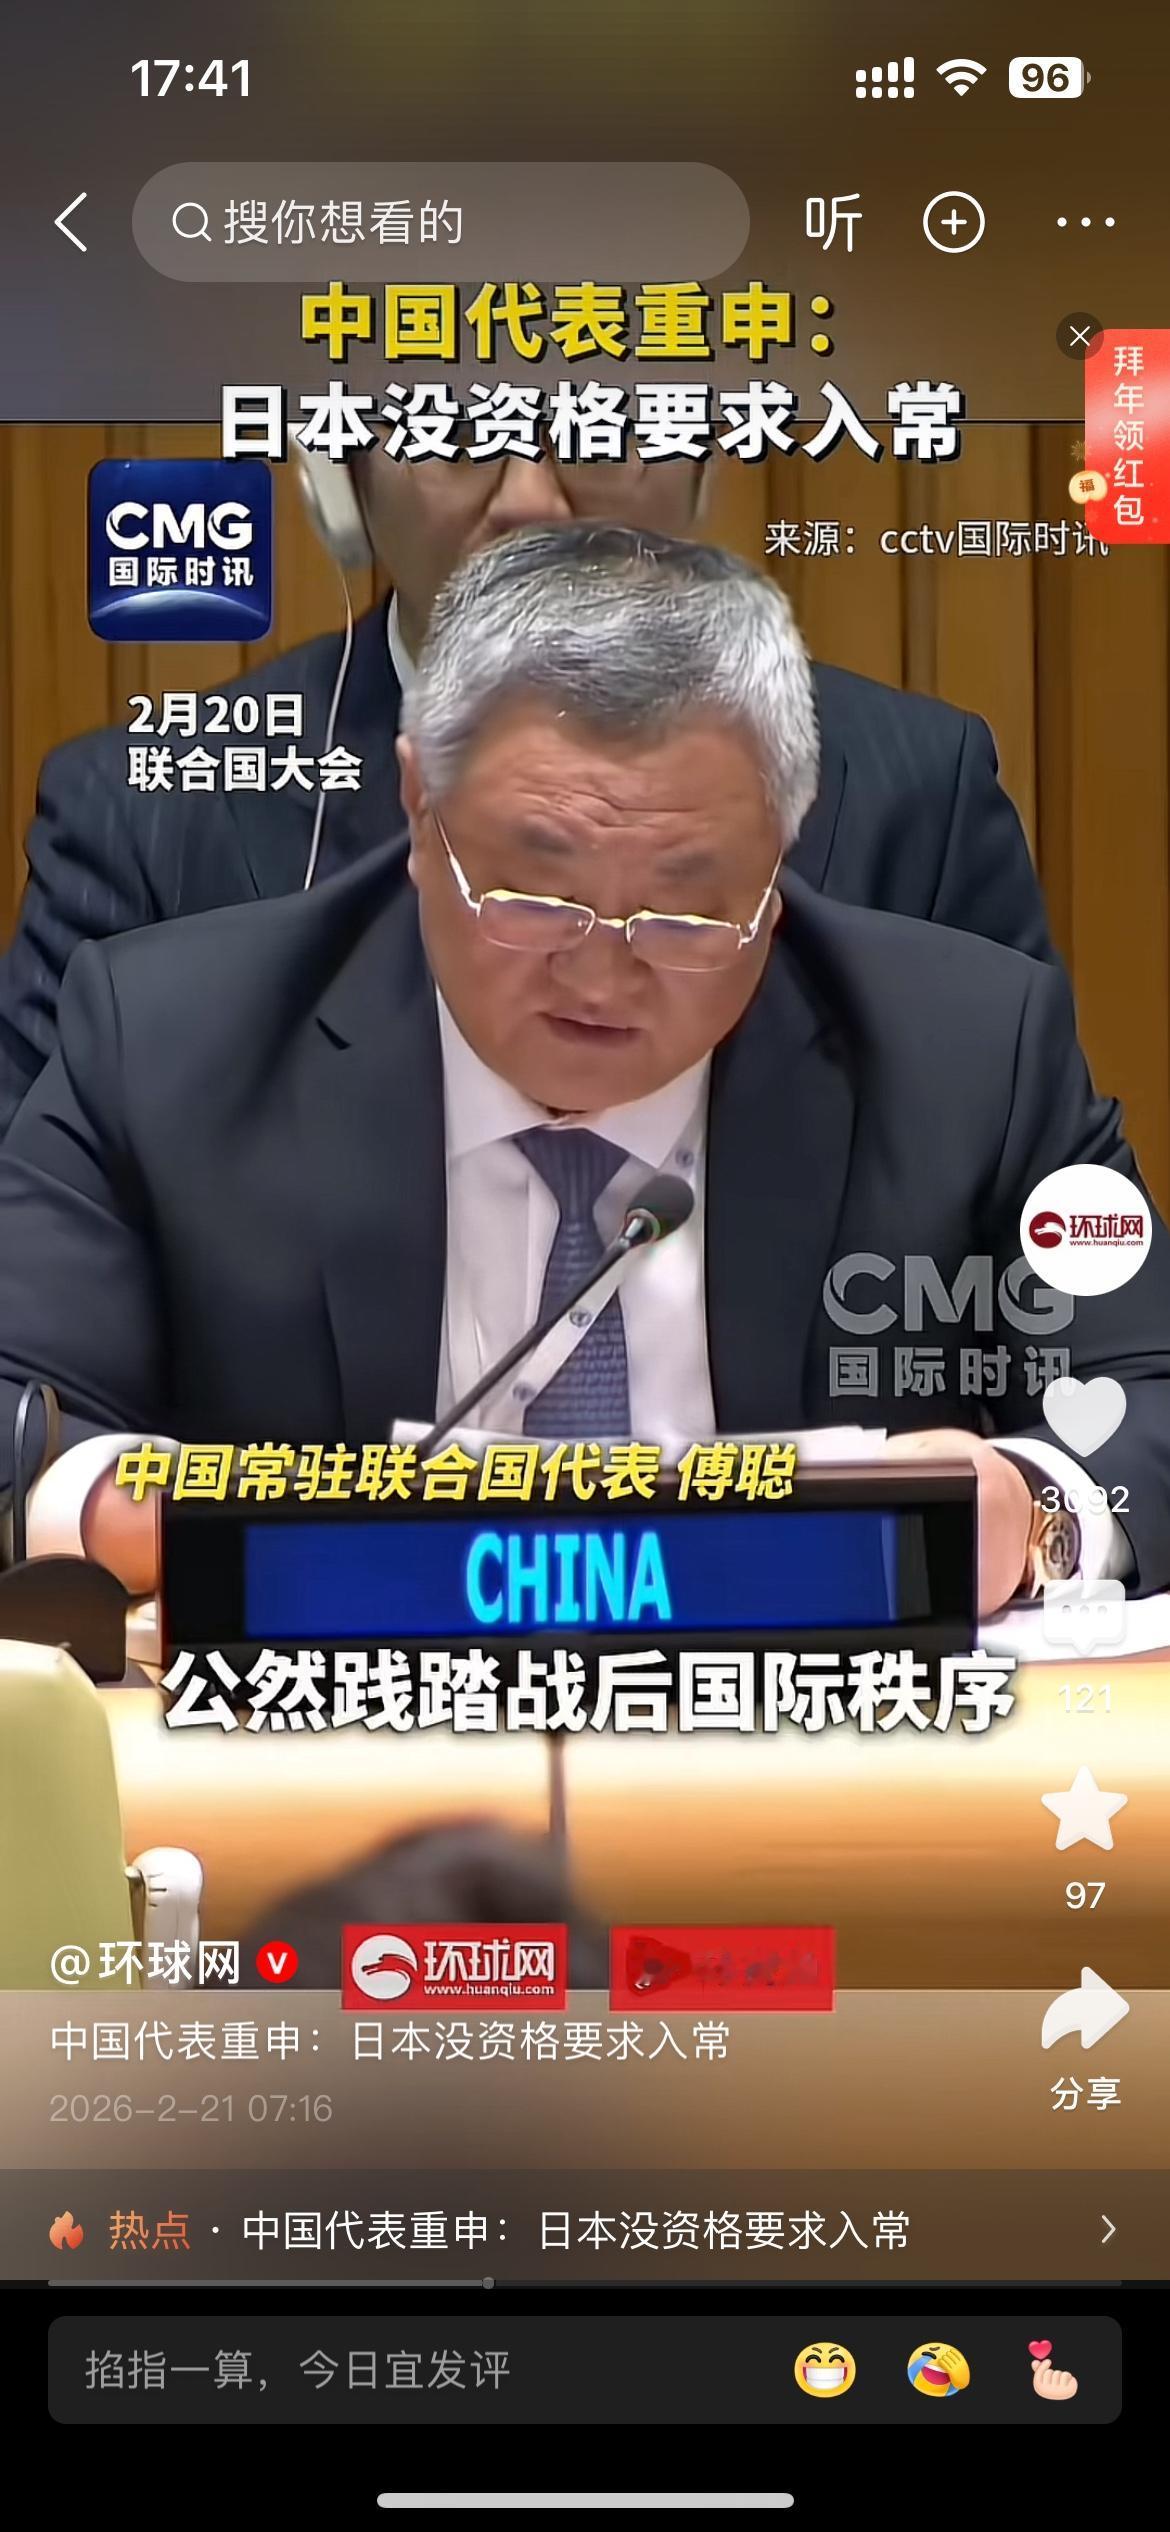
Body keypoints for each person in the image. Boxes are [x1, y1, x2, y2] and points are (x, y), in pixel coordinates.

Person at [1, 526, 1167, 1614]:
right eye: (532, 896)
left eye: (689, 914)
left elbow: (1144, 1398)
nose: (603, 977)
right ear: (417, 804)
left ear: (782, 854)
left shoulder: (969, 1050)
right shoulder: (171, 1039)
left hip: (817, 1735)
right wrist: (119, 1506)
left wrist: (1037, 1511)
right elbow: (19, 1403)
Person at [0, 445, 1055, 1137]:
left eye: (596, 431)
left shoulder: (916, 791)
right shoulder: (150, 810)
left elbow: (1062, 1263)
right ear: (338, 474)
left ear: (704, 451)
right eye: (460, 434)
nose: (533, 504)